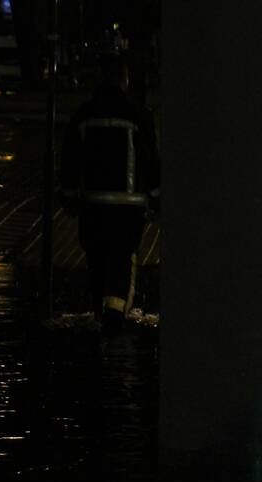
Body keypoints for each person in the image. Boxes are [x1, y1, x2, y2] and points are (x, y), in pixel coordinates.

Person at [61, 53, 160, 332]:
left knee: (96, 260)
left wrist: (68, 195)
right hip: (127, 208)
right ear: (124, 80)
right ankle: (115, 325)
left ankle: (96, 315)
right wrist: (155, 196)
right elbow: (150, 160)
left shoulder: (84, 114)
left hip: (92, 205)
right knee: (120, 262)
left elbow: (69, 159)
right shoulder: (139, 116)